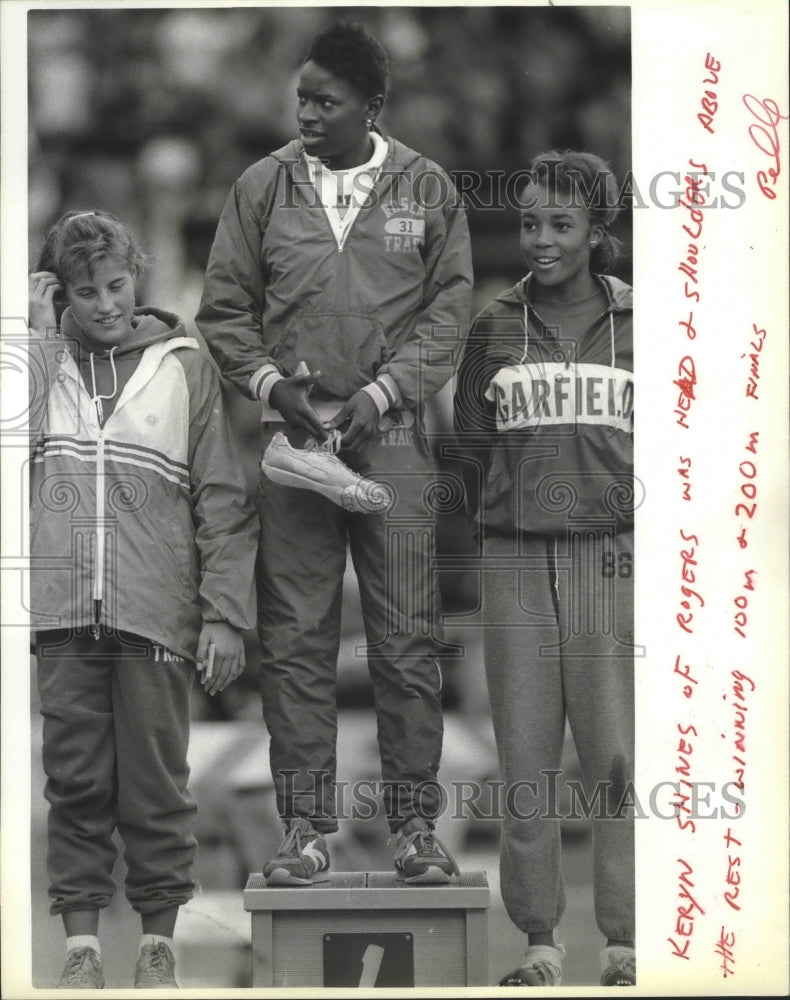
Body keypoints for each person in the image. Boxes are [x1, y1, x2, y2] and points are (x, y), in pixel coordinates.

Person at [196, 21, 473, 886]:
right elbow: (223, 310)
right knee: (297, 640)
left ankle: (415, 832)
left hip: (389, 439)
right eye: (301, 99)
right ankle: (306, 831)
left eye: (327, 101)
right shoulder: (261, 187)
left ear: (374, 107)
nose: (307, 114)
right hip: (295, 443)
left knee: (406, 641)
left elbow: (450, 310)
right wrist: (274, 388)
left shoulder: (427, 188)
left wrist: (384, 393)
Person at [28, 210, 258, 989]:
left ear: (139, 280)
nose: (104, 303)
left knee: (157, 785)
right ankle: (82, 949)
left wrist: (226, 613)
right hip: (61, 613)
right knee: (76, 782)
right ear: (61, 292)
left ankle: (158, 945)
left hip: (156, 610)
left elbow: (224, 497)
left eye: (118, 285)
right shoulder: (41, 362)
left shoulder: (184, 365)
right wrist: (28, 338)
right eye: (85, 290)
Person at [454, 151, 636, 987]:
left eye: (561, 224)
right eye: (529, 221)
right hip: (516, 554)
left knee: (615, 755)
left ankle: (627, 941)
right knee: (525, 754)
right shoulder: (493, 326)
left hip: (615, 555)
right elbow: (468, 451)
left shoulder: (648, 323)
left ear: (599, 232)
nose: (540, 239)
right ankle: (538, 943)